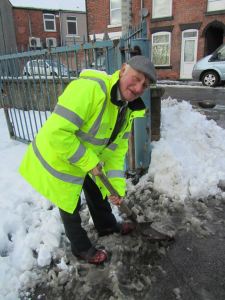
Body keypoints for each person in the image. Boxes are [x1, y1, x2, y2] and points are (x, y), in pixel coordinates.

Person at [19, 55, 156, 265]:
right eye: (136, 78)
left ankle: (107, 225)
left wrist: (116, 188)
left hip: (85, 155)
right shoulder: (90, 90)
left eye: (144, 85)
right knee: (69, 201)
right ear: (122, 70)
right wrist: (88, 161)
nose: (138, 88)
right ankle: (80, 248)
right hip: (58, 155)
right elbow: (57, 133)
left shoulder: (126, 109)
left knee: (97, 189)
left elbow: (116, 152)